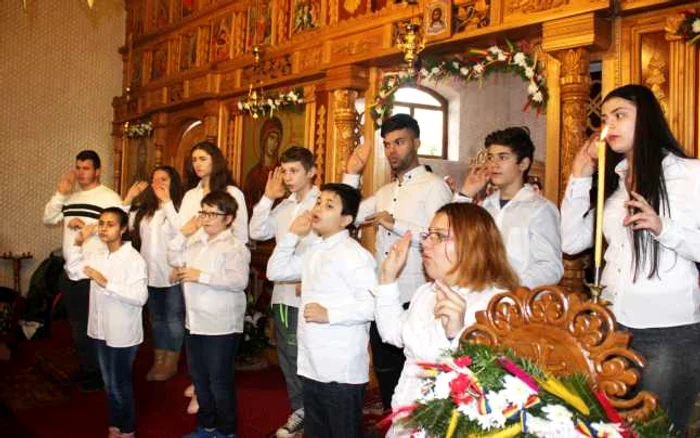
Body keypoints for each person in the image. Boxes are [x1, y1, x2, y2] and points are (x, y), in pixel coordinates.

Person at [561, 84, 700, 435]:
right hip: (611, 325)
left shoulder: (689, 174)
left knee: (659, 428)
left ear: (648, 120)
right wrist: (579, 178)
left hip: (667, 331)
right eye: (605, 119)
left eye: (620, 115)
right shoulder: (615, 178)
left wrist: (662, 228)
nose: (609, 126)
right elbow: (572, 241)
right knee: (612, 426)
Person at [374, 203, 519, 437]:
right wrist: (388, 278)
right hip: (407, 418)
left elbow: (497, 385)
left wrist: (457, 335)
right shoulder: (426, 292)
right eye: (428, 234)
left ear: (473, 244)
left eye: (439, 236)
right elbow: (393, 335)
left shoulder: (497, 304)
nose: (425, 244)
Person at [344, 113, 453, 411]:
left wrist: (395, 223)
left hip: (417, 295)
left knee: (415, 376)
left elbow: (445, 238)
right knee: (386, 371)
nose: (392, 150)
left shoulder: (434, 186)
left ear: (416, 143)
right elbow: (349, 216)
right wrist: (351, 173)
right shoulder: (384, 192)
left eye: (400, 142)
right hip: (386, 293)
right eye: (388, 144)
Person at [267, 183, 376, 438]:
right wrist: (292, 235)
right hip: (312, 364)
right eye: (319, 202)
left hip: (340, 371)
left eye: (329, 205)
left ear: (346, 220)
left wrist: (330, 314)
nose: (319, 208)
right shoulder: (315, 249)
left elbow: (371, 306)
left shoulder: (354, 256)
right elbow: (275, 271)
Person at [249, 146, 318, 438]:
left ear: (311, 172)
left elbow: (322, 248)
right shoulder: (284, 206)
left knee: (308, 358)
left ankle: (311, 414)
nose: (288, 177)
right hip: (282, 295)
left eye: (294, 171)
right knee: (288, 356)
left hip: (309, 296)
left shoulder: (322, 204)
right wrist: (267, 197)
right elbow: (256, 231)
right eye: (285, 171)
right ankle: (300, 410)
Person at [168, 191, 251, 438]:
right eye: (204, 212)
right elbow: (172, 257)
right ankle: (207, 426)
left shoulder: (235, 247)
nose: (206, 218)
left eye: (213, 213)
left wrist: (199, 276)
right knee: (200, 379)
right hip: (195, 322)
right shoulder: (197, 241)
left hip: (221, 325)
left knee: (219, 382)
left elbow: (238, 281)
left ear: (229, 218)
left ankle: (227, 431)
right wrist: (183, 233)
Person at [64, 207, 148, 438]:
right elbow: (73, 271)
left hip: (122, 332)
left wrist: (106, 284)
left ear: (122, 229)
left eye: (110, 224)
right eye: (101, 223)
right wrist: (78, 242)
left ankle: (128, 428)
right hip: (100, 329)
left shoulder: (133, 259)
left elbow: (140, 297)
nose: (103, 228)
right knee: (109, 382)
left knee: (120, 383)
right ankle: (115, 424)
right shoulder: (98, 255)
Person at [42, 150, 122, 392]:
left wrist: (90, 227)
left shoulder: (109, 197)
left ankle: (101, 373)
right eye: (78, 167)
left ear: (97, 171)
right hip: (72, 270)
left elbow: (119, 229)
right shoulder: (70, 197)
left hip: (94, 272)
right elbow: (48, 218)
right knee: (78, 325)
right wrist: (60, 194)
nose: (80, 172)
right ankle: (88, 368)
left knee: (95, 325)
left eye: (86, 168)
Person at [456, 127, 563, 288]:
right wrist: (466, 193)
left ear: (523, 164)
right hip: (481, 297)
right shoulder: (485, 207)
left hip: (518, 302)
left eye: (502, 157)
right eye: (490, 158)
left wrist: (506, 285)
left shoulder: (540, 209)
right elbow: (455, 238)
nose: (493, 165)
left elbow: (550, 268)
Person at [123, 166, 184, 381]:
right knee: (156, 319)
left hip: (172, 274)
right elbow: (123, 222)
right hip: (149, 274)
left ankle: (171, 362)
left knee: (174, 319)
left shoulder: (178, 209)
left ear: (173, 182)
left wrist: (167, 202)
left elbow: (183, 232)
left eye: (164, 179)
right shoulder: (145, 210)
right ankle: (159, 360)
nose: (157, 183)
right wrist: (130, 197)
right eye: (154, 180)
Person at [244, 117, 283, 212]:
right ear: (264, 139)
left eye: (277, 140)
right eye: (271, 138)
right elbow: (248, 206)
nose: (274, 143)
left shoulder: (281, 172)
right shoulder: (253, 175)